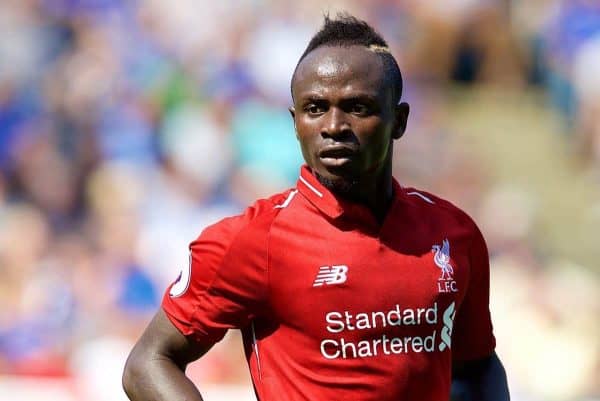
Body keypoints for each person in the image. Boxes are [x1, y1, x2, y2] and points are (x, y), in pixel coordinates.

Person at [122, 14, 510, 401]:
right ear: (295, 123)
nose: (333, 125)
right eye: (315, 108)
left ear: (400, 120)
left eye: (357, 107)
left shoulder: (451, 234)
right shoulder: (255, 239)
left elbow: (477, 366)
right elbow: (149, 363)